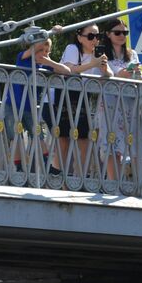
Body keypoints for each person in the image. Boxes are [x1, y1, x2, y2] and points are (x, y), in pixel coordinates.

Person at [4, 34, 72, 173]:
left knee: (38, 135)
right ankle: (19, 168)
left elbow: (67, 71)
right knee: (15, 136)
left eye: (47, 51)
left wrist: (49, 63)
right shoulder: (23, 59)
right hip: (12, 103)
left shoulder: (46, 67)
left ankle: (48, 165)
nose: (43, 54)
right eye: (40, 50)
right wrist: (48, 34)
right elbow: (32, 48)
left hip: (31, 107)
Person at [54, 24, 111, 179]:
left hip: (82, 97)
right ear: (80, 37)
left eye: (97, 36)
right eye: (91, 36)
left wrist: (104, 69)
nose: (95, 40)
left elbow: (109, 75)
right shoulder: (73, 49)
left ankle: (80, 178)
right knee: (63, 137)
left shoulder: (97, 54)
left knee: (84, 138)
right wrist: (93, 64)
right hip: (65, 95)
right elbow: (68, 69)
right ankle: (57, 176)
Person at [95, 17, 142, 182]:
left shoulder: (132, 54)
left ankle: (138, 183)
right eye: (117, 32)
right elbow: (101, 77)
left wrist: (137, 74)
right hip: (110, 103)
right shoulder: (102, 55)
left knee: (134, 141)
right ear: (108, 34)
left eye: (125, 32)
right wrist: (119, 76)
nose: (122, 35)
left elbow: (141, 80)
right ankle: (113, 182)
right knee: (111, 141)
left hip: (130, 103)